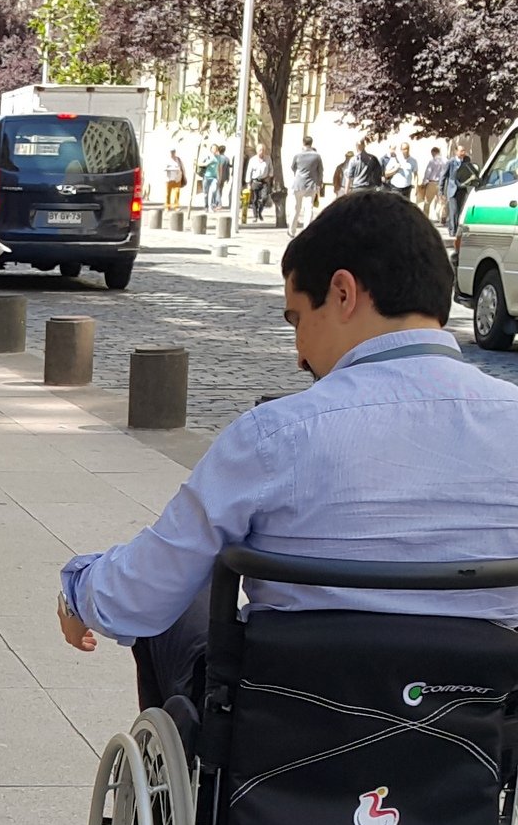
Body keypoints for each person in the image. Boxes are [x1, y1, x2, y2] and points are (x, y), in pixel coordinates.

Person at [53, 192, 518, 713]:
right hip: (471, 738)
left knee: (178, 602)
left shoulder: (276, 435)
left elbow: (142, 592)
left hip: (293, 735)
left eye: (296, 319)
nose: (298, 355)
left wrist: (79, 588)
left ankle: (178, 791)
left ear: (343, 293)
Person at [289, 136, 324, 233]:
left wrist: (299, 174)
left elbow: (293, 167)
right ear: (311, 143)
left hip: (298, 184)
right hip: (311, 185)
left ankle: (292, 230)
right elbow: (320, 170)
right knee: (309, 208)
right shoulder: (317, 156)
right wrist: (319, 182)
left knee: (296, 208)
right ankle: (307, 231)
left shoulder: (297, 155)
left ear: (303, 142)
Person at [446, 148, 477, 233]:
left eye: (464, 151)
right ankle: (452, 230)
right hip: (453, 190)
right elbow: (444, 175)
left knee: (459, 210)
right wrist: (441, 191)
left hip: (462, 190)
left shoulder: (466, 165)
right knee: (454, 210)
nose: (463, 152)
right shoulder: (450, 162)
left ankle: (455, 229)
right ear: (456, 152)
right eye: (461, 151)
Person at [419, 145, 447, 220]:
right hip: (442, 183)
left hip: (432, 183)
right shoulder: (445, 160)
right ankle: (443, 216)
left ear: (434, 152)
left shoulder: (432, 161)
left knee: (427, 201)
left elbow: (428, 172)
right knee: (442, 201)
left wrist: (424, 183)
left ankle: (425, 217)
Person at [246, 146, 271, 221]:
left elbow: (271, 168)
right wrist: (248, 183)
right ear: (257, 151)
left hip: (264, 181)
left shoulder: (268, 158)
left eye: (263, 150)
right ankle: (255, 216)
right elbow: (249, 171)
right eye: (260, 150)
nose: (262, 152)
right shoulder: (252, 160)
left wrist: (269, 176)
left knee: (264, 198)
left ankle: (260, 212)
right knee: (255, 199)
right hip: (255, 181)